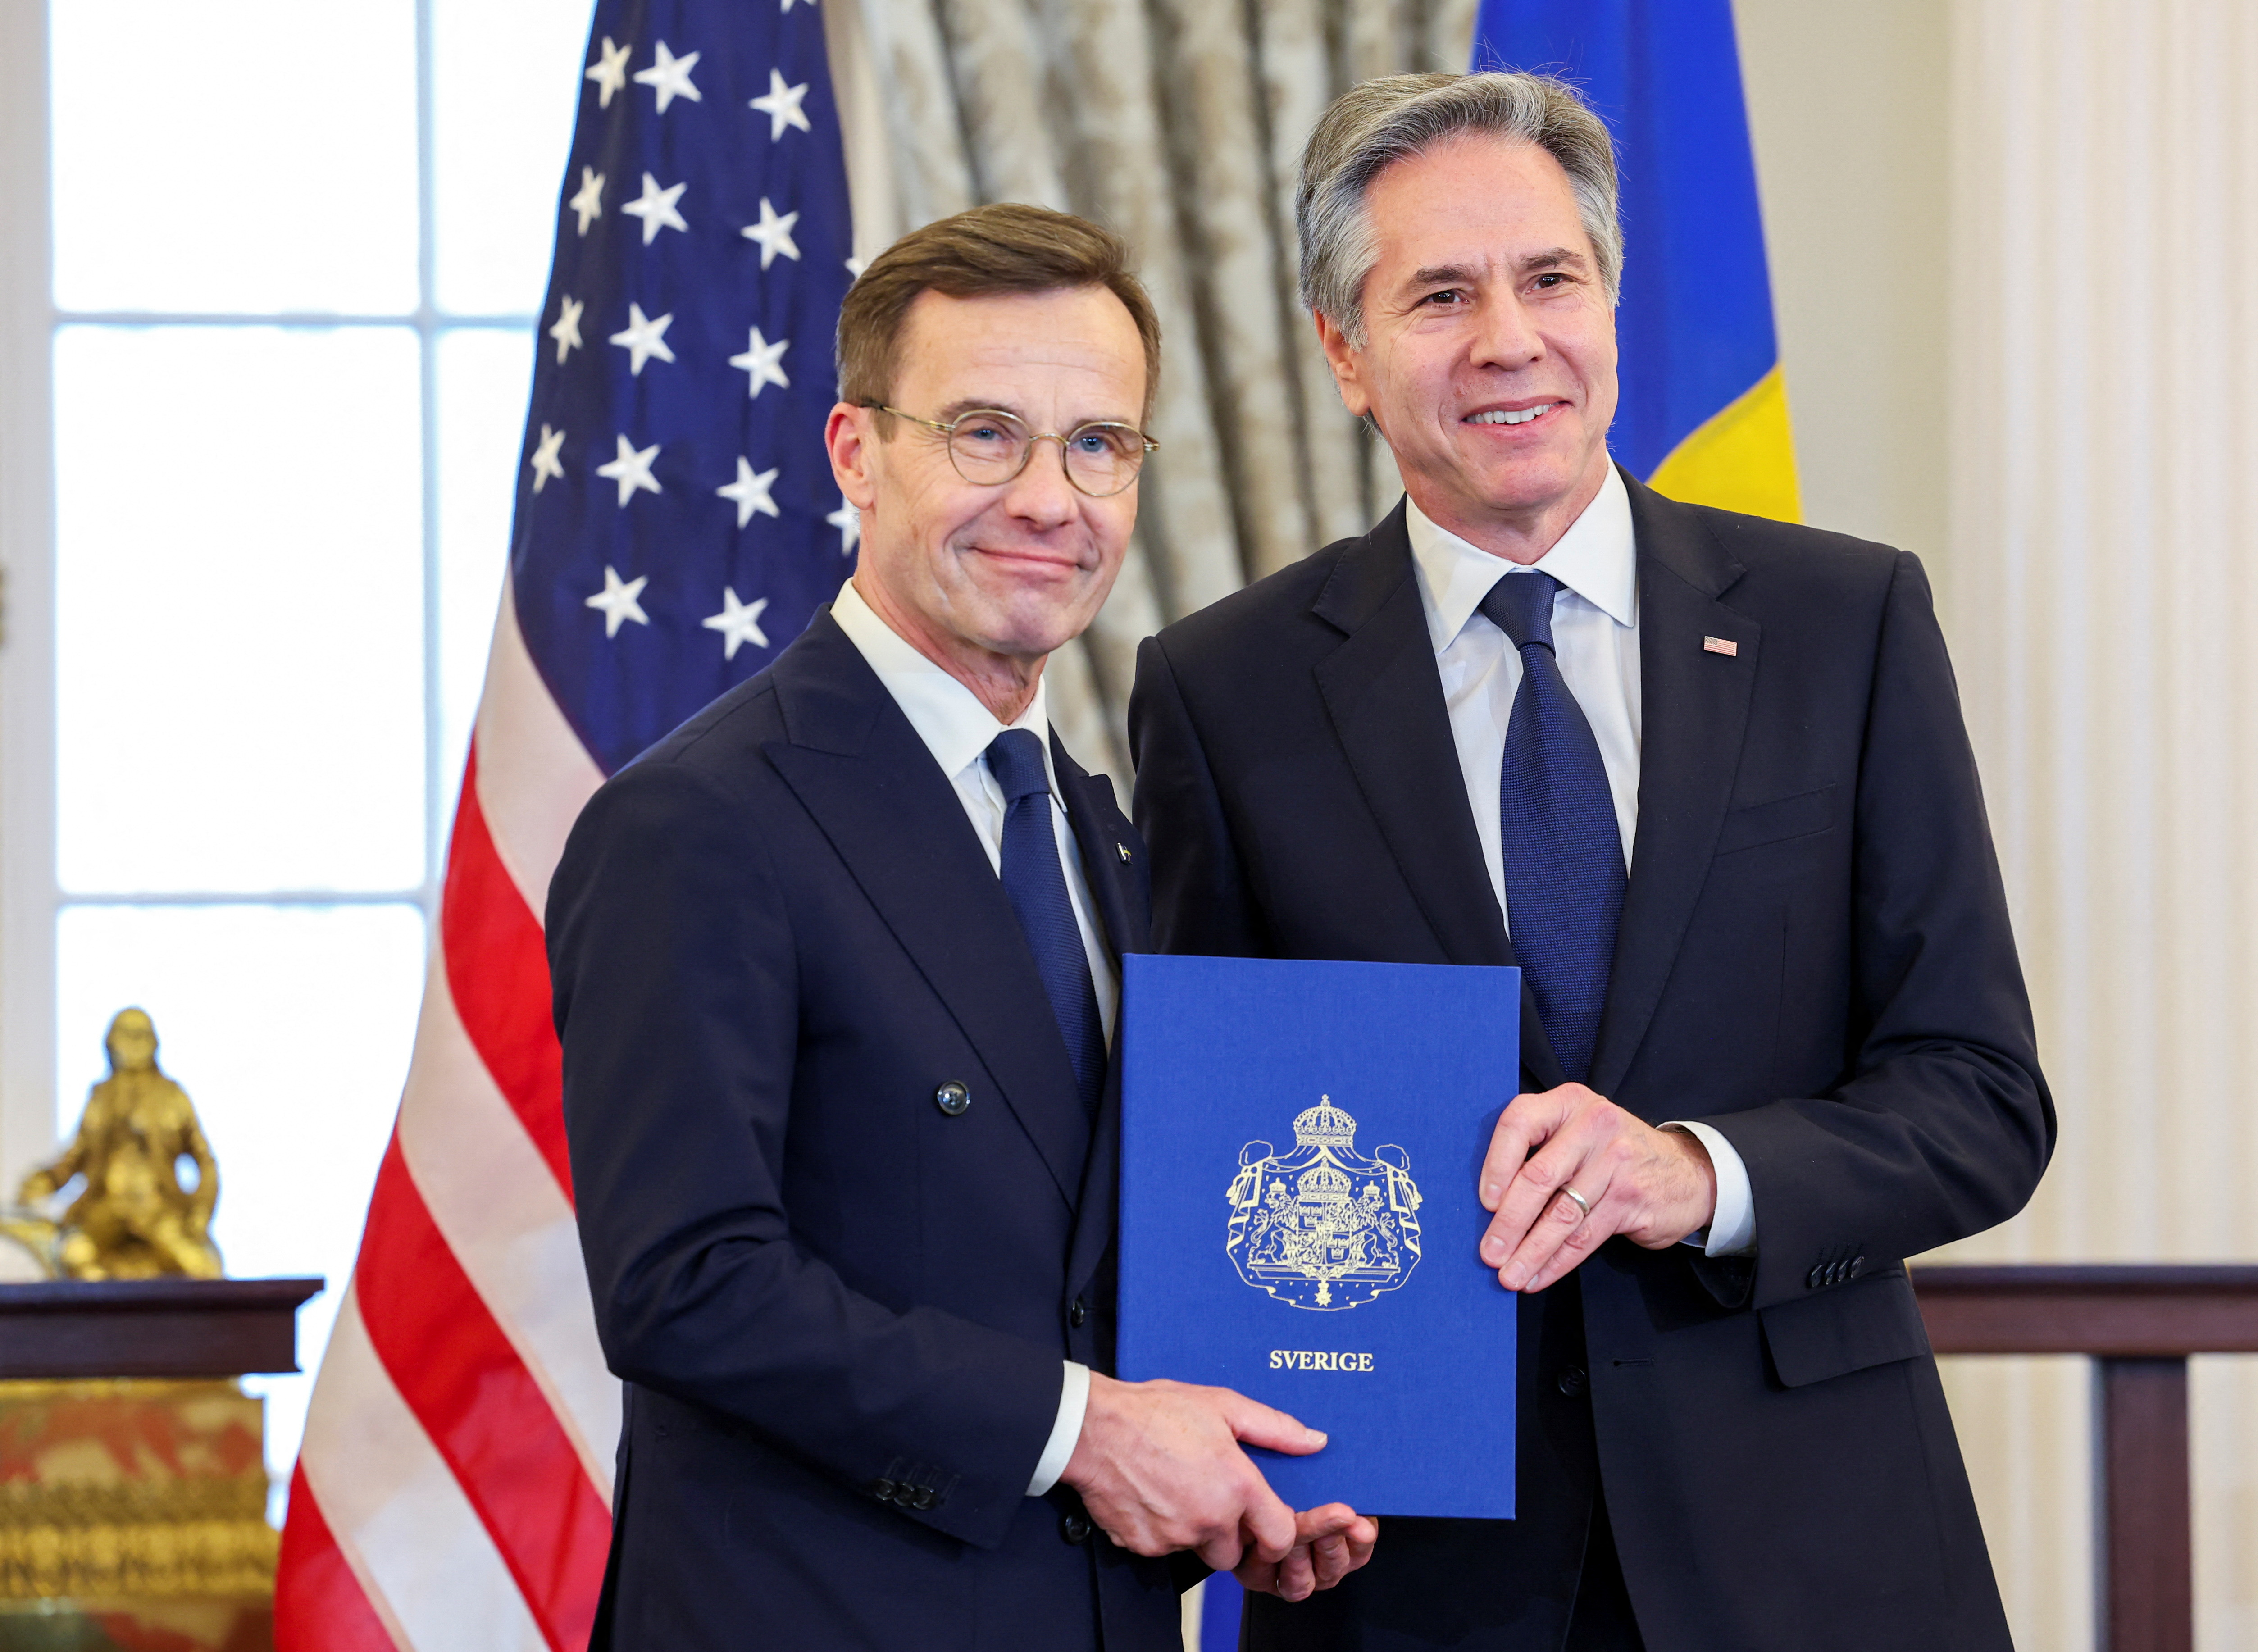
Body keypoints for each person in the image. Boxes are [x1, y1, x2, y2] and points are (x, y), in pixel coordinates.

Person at [1128, 74, 2054, 1651]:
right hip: (1408, 1574)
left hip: (1814, 1550)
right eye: (1440, 295)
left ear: (1611, 302)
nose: (1510, 339)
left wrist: (1694, 1172)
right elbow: (1207, 1138)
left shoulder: (1844, 625)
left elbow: (1981, 1097)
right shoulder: (1227, 689)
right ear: (1345, 351)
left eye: (1550, 277)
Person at [549, 204, 1375, 1652]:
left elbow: (1095, 1263)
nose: (1051, 499)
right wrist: (1085, 1432)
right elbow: (686, 1286)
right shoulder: (695, 820)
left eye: (1098, 443)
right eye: (985, 434)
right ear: (855, 452)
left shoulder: (1104, 830)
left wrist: (1252, 1471)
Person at [17, 1006, 222, 1280]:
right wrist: (42, 1184)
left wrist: (200, 1214)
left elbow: (205, 1161)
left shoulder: (173, 1096)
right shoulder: (100, 1097)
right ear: (111, 1043)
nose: (134, 1045)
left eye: (141, 1036)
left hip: (159, 1212)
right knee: (74, 1257)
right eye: (126, 1036)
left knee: (201, 1268)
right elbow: (74, 1159)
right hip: (105, 1212)